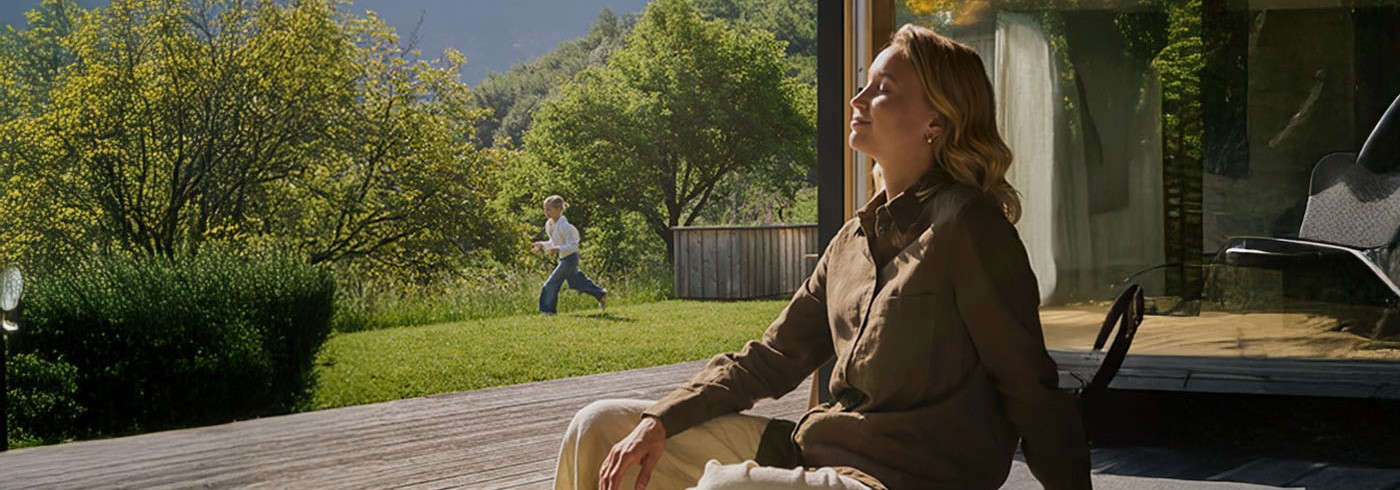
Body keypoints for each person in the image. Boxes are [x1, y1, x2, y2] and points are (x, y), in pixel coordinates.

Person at [552, 24, 1090, 490]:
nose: (857, 99)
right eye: (864, 84)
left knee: (730, 486)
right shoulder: (853, 239)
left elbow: (1029, 388)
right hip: (816, 452)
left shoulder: (968, 226)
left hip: (903, 478)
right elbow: (768, 360)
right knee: (600, 427)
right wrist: (659, 421)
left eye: (883, 89)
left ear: (937, 122)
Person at [535, 195, 608, 315]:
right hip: (564, 258)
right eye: (545, 209)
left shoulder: (566, 227)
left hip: (570, 259)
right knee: (576, 283)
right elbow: (554, 242)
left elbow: (573, 246)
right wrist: (542, 244)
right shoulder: (549, 224)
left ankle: (548, 311)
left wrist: (557, 249)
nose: (546, 212)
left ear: (558, 209)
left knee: (551, 283)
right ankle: (600, 294)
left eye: (549, 209)